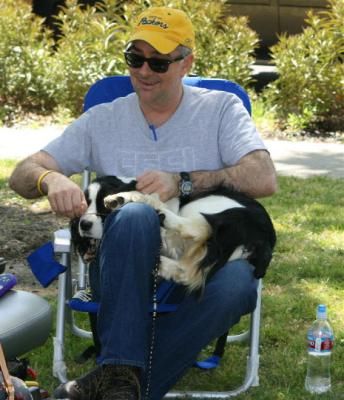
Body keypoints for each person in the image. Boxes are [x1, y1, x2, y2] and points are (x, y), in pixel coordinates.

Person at [9, 6, 277, 400]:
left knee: (238, 282)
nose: (144, 71)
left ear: (186, 63)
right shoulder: (103, 120)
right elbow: (23, 173)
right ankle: (121, 373)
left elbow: (263, 177)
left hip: (189, 263)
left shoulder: (220, 110)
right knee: (133, 213)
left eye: (159, 61)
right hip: (120, 266)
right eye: (135, 58)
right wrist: (50, 179)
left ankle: (116, 382)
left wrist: (183, 182)